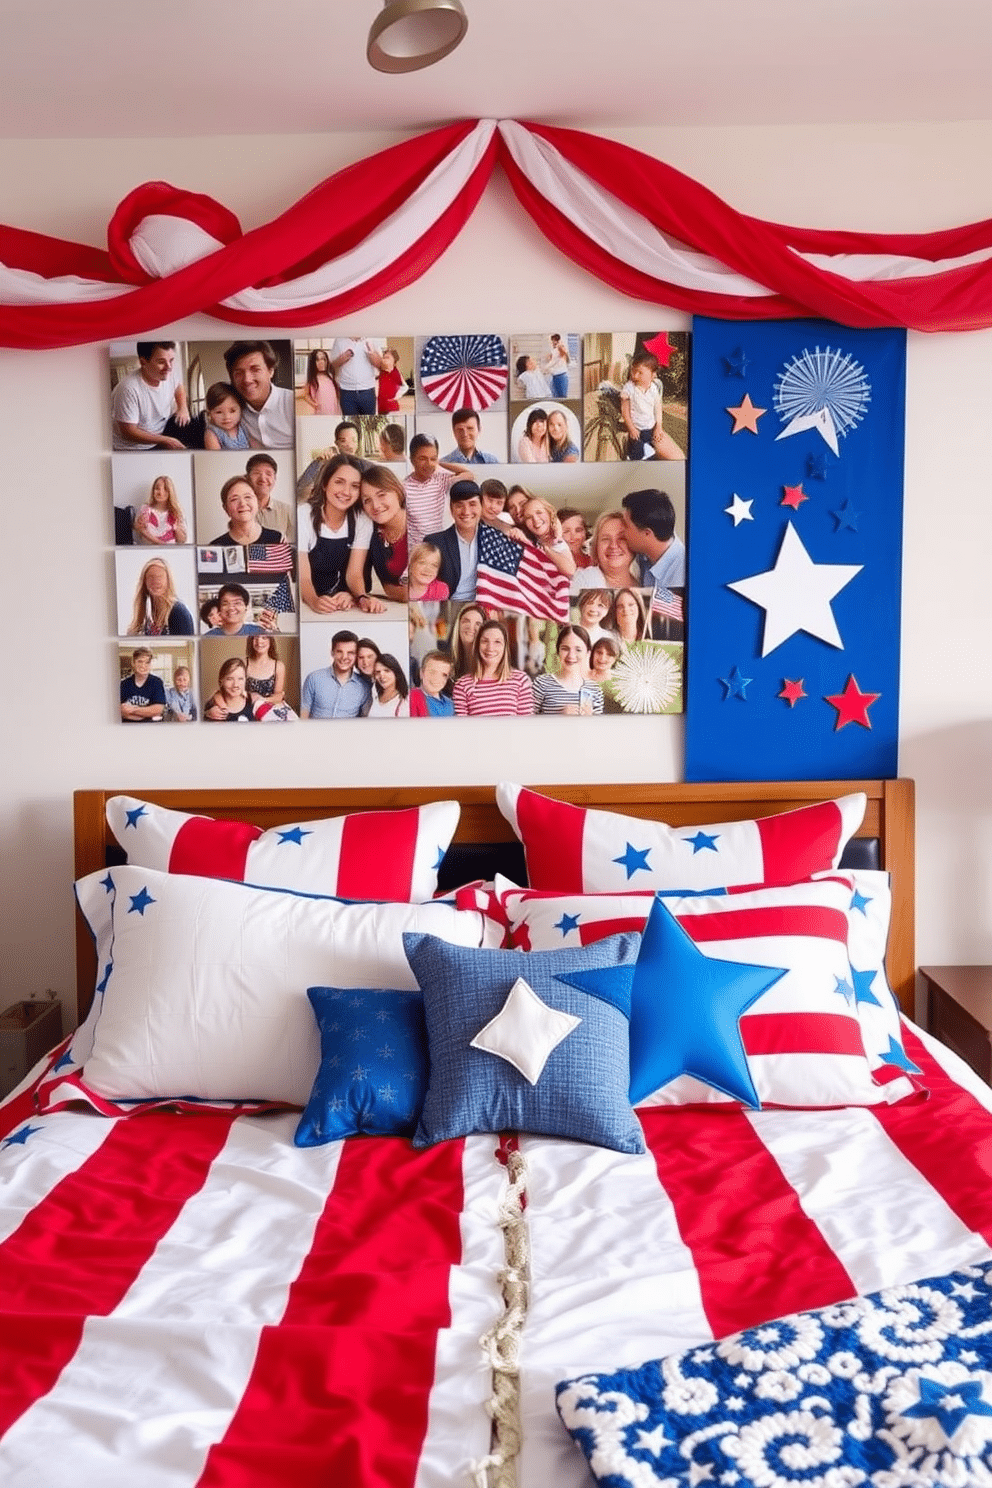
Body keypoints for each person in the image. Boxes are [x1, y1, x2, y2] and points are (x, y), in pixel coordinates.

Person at [300, 453, 369, 614]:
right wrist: (315, 601)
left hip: (343, 602)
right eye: (339, 482)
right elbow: (303, 578)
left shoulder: (362, 519)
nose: (346, 492)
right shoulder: (304, 515)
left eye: (355, 486)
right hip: (307, 601)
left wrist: (358, 596)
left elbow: (354, 574)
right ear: (325, 484)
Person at [347, 464, 410, 611]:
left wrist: (400, 593)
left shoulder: (420, 524)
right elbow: (355, 573)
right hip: (394, 608)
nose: (375, 505)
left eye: (382, 495)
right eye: (367, 500)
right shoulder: (372, 531)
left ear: (397, 491)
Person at [111, 341, 191, 452]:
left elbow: (178, 387)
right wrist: (166, 440)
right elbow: (128, 432)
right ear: (143, 362)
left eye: (171, 360)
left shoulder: (168, 373)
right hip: (132, 448)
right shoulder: (128, 389)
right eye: (161, 362)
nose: (169, 367)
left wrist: (183, 408)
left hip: (160, 434)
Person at [453, 619, 533, 716]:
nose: (490, 648)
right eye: (485, 641)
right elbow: (461, 729)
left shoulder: (521, 680)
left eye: (497, 642)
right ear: (477, 645)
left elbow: (525, 727)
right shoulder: (462, 685)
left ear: (505, 647)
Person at [404, 434, 472, 547]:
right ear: (412, 459)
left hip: (438, 547)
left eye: (433, 458)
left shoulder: (440, 480)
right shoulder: (404, 488)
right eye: (423, 458)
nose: (429, 464)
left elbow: (469, 475)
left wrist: (439, 462)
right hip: (417, 550)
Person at [223, 341, 294, 449]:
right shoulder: (233, 409)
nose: (247, 380)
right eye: (239, 373)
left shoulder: (291, 402)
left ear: (270, 371)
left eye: (255, 370)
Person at [424, 480, 483, 602]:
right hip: (448, 604)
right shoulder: (434, 542)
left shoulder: (491, 538)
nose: (466, 511)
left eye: (472, 504)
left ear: (481, 507)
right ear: (451, 509)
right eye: (459, 505)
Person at [620, 350, 685, 461]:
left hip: (650, 427)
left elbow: (657, 408)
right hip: (637, 429)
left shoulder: (654, 389)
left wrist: (658, 426)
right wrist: (631, 427)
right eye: (633, 371)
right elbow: (624, 410)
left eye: (640, 372)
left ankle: (650, 451)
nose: (635, 375)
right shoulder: (629, 388)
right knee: (637, 452)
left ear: (653, 374)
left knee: (663, 450)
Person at [620, 489, 686, 588]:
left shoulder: (684, 575)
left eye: (625, 525)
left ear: (647, 533)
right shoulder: (643, 554)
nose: (621, 531)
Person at [533, 625, 604, 715]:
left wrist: (591, 719)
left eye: (578, 650)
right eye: (565, 649)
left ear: (588, 653)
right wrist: (559, 716)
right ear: (558, 651)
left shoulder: (595, 689)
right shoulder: (541, 684)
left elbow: (598, 727)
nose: (571, 656)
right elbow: (527, 724)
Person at [300, 630, 371, 719]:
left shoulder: (365, 686)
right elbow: (304, 713)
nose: (344, 657)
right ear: (332, 652)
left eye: (350, 653)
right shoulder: (313, 678)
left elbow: (366, 720)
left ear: (356, 655)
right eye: (339, 652)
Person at [507, 495, 576, 579]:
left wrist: (546, 549)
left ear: (549, 513)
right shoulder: (532, 540)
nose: (535, 520)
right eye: (529, 517)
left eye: (539, 512)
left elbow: (570, 571)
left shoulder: (557, 540)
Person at [126, 558, 195, 636]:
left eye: (160, 577)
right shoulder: (147, 614)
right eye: (151, 577)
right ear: (144, 582)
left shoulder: (179, 612)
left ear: (168, 581)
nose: (155, 581)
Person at [572, 510, 638, 590]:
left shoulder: (646, 579)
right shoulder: (584, 580)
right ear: (596, 547)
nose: (613, 545)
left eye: (622, 538)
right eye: (606, 539)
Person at [210, 474, 282, 546]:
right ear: (226, 508)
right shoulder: (215, 547)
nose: (242, 504)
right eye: (234, 499)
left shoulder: (277, 539)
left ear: (257, 502)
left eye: (248, 497)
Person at [329, 337, 386, 416]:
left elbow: (381, 365)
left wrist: (372, 356)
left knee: (369, 423)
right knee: (350, 421)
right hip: (346, 391)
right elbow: (332, 365)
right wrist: (341, 359)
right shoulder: (339, 340)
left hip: (368, 390)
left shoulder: (372, 338)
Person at [245, 452, 293, 542]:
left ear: (275, 479)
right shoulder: (241, 509)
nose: (263, 478)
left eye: (268, 474)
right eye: (257, 473)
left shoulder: (288, 511)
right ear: (247, 478)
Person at [133, 474, 187, 546]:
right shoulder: (145, 509)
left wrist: (177, 529)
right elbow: (140, 531)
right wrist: (162, 544)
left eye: (165, 489)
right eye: (157, 488)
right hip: (148, 553)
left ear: (170, 492)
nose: (160, 493)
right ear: (153, 490)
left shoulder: (176, 512)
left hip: (171, 553)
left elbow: (181, 541)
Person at [203, 382, 254, 452]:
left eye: (232, 411)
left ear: (241, 409)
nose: (227, 417)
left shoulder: (243, 426)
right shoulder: (212, 434)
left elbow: (254, 448)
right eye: (219, 412)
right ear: (210, 413)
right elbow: (216, 459)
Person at [203, 582, 268, 637]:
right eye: (225, 604)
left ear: (246, 607)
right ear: (219, 609)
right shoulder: (208, 638)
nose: (231, 608)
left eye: (237, 603)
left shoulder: (259, 634)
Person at [120, 646, 166, 721]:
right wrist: (146, 712)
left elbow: (157, 710)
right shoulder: (123, 684)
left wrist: (132, 710)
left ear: (151, 664)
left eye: (147, 662)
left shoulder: (157, 682)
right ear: (133, 663)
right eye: (140, 661)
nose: (143, 666)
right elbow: (120, 710)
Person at [205, 657, 256, 722]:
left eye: (240, 679)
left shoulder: (252, 702)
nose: (235, 685)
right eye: (230, 679)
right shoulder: (212, 710)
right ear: (221, 681)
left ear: (245, 680)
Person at [245, 633, 286, 712]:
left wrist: (261, 700)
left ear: (270, 641)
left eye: (264, 637)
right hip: (248, 711)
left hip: (269, 711)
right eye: (255, 637)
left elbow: (278, 697)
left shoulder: (279, 666)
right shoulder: (244, 664)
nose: (259, 641)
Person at [410, 649, 455, 717]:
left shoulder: (450, 704)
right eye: (432, 672)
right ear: (421, 673)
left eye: (444, 675)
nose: (437, 678)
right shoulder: (412, 699)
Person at [449, 602, 487, 677]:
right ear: (458, 626)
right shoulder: (448, 664)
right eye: (466, 621)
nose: (471, 627)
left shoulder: (488, 665)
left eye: (478, 624)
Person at [367, 654, 410, 718]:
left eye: (387, 671)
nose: (382, 676)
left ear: (396, 673)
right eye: (378, 672)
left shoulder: (405, 702)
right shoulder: (373, 696)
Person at [303, 349, 340, 415]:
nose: (321, 362)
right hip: (322, 412)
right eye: (317, 360)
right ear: (313, 363)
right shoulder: (312, 380)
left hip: (335, 412)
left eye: (323, 359)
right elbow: (306, 395)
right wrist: (314, 404)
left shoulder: (331, 377)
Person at [376, 348, 405, 413]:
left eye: (387, 357)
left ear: (394, 361)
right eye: (384, 358)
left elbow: (405, 387)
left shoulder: (396, 373)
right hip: (380, 406)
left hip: (392, 406)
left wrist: (396, 397)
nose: (385, 360)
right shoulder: (380, 373)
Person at [543, 333, 571, 400]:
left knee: (561, 398)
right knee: (557, 397)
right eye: (552, 340)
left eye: (555, 340)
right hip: (556, 376)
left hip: (561, 376)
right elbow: (554, 362)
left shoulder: (560, 349)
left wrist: (544, 369)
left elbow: (553, 362)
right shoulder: (555, 350)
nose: (553, 342)